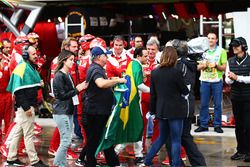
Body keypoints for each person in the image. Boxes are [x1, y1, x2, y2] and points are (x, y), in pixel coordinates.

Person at [142, 46, 189, 167]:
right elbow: (185, 91)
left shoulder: (155, 72)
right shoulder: (176, 73)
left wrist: (152, 111)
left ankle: (147, 161)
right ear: (174, 58)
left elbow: (153, 95)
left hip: (161, 110)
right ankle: (176, 165)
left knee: (161, 137)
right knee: (176, 140)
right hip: (176, 111)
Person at [163, 39, 206, 166]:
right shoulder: (188, 64)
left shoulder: (179, 66)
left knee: (173, 139)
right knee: (184, 137)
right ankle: (198, 164)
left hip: (179, 107)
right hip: (186, 106)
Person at [82, 46, 126, 167]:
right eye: (105, 55)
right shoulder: (96, 69)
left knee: (101, 139)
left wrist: (112, 79)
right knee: (96, 140)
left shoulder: (97, 68)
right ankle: (90, 163)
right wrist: (118, 81)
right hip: (96, 112)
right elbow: (100, 83)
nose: (107, 57)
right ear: (98, 57)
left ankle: (112, 163)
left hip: (98, 111)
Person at [5, 45, 48, 167]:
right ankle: (34, 161)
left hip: (25, 107)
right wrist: (26, 107)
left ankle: (11, 158)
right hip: (26, 108)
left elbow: (28, 86)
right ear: (25, 55)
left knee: (18, 133)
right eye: (33, 54)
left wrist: (39, 85)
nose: (36, 56)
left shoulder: (29, 67)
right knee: (29, 135)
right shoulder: (22, 68)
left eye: (36, 54)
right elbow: (18, 90)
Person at [114, 47, 150, 164]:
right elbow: (139, 85)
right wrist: (153, 90)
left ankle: (118, 151)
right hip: (134, 102)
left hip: (128, 101)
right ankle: (133, 153)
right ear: (138, 56)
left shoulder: (132, 64)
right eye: (145, 55)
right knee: (137, 127)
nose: (147, 57)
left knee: (133, 128)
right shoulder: (137, 66)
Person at [52, 49, 87, 167]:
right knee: (66, 141)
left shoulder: (67, 74)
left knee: (65, 140)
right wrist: (78, 89)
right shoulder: (59, 76)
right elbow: (61, 95)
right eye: (71, 60)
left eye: (73, 59)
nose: (73, 62)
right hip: (61, 112)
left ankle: (61, 164)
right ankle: (58, 164)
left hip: (68, 110)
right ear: (64, 61)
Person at [195, 32, 227, 133]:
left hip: (217, 81)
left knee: (217, 104)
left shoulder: (221, 51)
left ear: (217, 40)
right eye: (208, 38)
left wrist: (216, 66)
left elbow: (224, 67)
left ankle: (217, 125)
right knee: (204, 104)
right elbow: (197, 67)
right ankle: (203, 125)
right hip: (204, 81)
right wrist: (202, 66)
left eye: (213, 38)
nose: (210, 40)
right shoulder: (202, 51)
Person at [225, 37, 250, 162]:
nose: (234, 48)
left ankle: (249, 152)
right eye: (233, 46)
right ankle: (241, 150)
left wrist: (237, 78)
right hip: (236, 97)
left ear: (244, 47)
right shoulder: (230, 60)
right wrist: (230, 78)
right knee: (239, 126)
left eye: (237, 46)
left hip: (248, 97)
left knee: (248, 125)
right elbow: (227, 80)